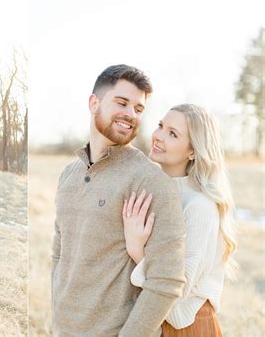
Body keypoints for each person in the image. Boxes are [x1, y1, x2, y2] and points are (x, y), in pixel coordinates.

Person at [52, 64, 186, 336]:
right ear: (94, 103)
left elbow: (166, 281)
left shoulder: (150, 181)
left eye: (138, 109)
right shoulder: (69, 174)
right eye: (122, 103)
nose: (130, 114)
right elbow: (59, 255)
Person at [123, 104, 237, 336]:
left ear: (193, 151)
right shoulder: (153, 192)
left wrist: (137, 250)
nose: (158, 136)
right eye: (161, 126)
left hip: (188, 327)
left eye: (172, 134)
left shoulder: (199, 206)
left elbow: (177, 294)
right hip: (153, 322)